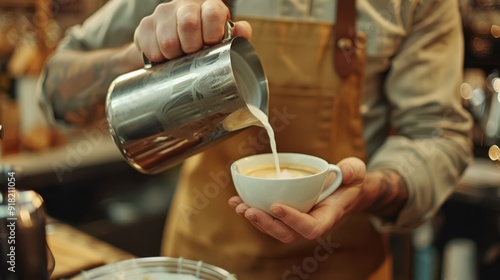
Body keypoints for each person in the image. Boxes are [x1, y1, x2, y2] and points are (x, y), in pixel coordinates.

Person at [38, 0, 473, 279]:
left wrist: (367, 189)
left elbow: (437, 135)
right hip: (204, 264)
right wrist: (142, 58)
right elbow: (54, 93)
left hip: (346, 265)